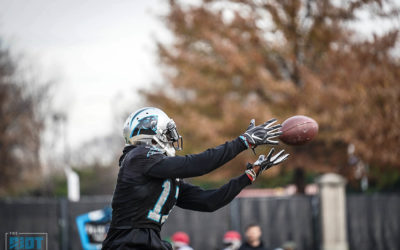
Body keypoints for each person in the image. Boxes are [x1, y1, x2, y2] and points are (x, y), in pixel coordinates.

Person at [101, 107, 289, 250]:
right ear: (153, 132)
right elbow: (197, 165)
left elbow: (209, 202)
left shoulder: (157, 172)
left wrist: (249, 176)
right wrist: (243, 142)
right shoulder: (138, 156)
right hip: (126, 244)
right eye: (168, 132)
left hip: (148, 242)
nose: (172, 138)